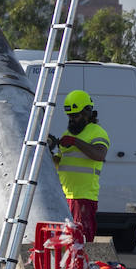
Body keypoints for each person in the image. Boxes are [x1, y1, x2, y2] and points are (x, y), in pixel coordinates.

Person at [51, 89, 109, 243]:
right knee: (64, 242)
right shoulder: (67, 134)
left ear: (87, 112)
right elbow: (59, 163)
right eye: (70, 116)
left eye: (75, 116)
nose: (72, 120)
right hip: (64, 196)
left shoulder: (97, 132)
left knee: (80, 241)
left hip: (83, 197)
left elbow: (99, 154)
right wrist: (49, 154)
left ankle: (81, 267)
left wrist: (75, 142)